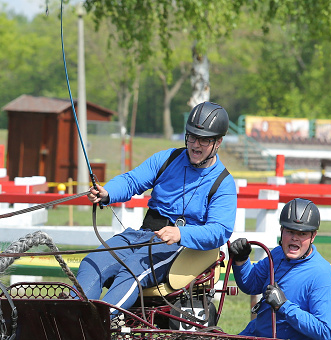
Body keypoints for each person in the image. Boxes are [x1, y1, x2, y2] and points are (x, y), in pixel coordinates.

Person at [76, 101, 238, 314]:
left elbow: (220, 231)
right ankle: (72, 321)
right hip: (142, 235)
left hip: (180, 248)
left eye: (204, 140)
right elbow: (132, 180)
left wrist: (180, 233)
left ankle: (100, 324)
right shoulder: (167, 159)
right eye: (191, 136)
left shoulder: (223, 183)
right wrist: (108, 193)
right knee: (92, 263)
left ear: (218, 142)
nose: (195, 145)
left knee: (132, 271)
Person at [229, 198, 331, 340]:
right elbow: (250, 284)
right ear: (281, 230)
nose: (295, 238)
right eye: (290, 231)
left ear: (313, 236)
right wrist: (241, 261)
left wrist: (284, 306)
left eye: (302, 234)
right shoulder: (277, 255)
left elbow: (325, 330)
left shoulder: (322, 275)